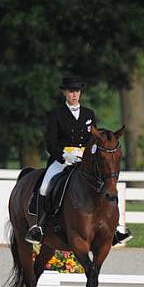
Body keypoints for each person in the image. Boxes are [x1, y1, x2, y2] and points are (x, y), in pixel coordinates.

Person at [25, 76, 133, 246]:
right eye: (71, 91)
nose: (74, 95)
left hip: (85, 160)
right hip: (63, 160)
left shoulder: (89, 114)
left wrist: (93, 154)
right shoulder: (56, 114)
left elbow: (95, 139)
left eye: (77, 91)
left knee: (107, 185)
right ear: (65, 93)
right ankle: (39, 227)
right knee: (45, 185)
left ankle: (115, 229)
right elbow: (50, 142)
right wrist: (64, 155)